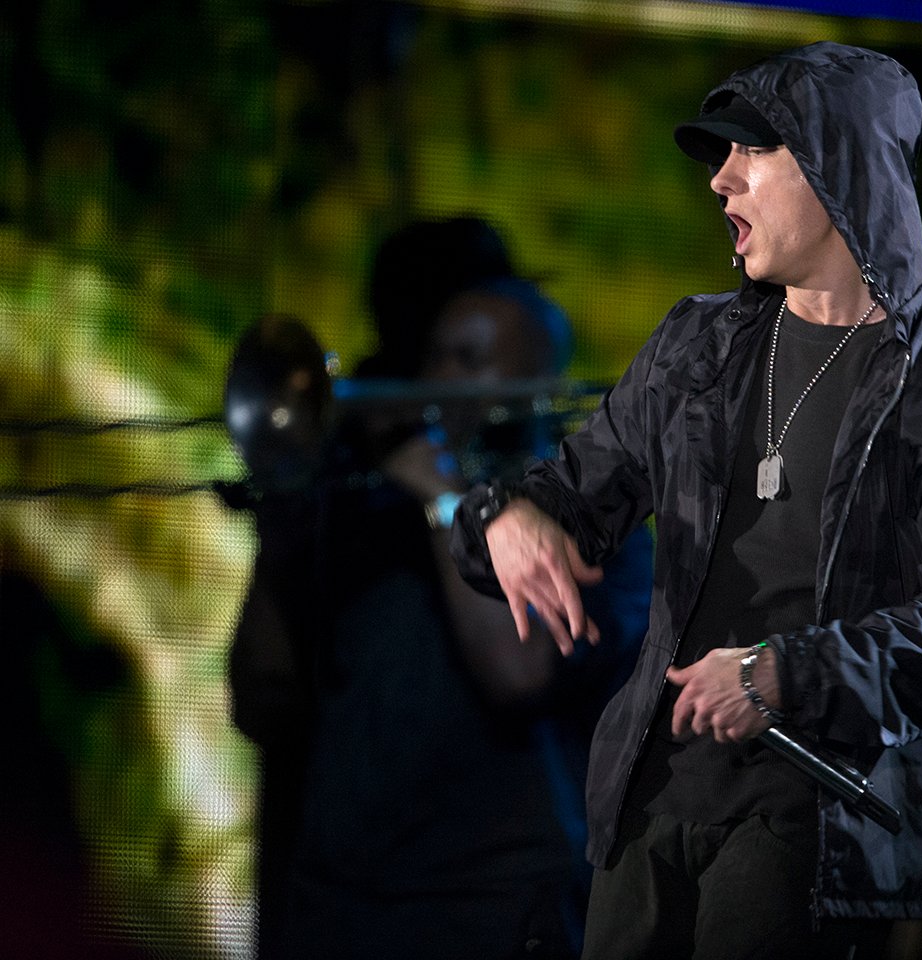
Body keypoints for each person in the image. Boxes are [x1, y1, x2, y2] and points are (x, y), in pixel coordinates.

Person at [449, 42, 922, 959]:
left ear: (840, 169)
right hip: (654, 795)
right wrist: (502, 518)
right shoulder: (699, 346)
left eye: (752, 152)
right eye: (721, 155)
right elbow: (567, 496)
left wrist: (786, 673)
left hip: (820, 808)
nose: (721, 179)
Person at [227, 216, 652, 960]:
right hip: (339, 913)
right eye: (435, 355)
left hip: (491, 911)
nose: (436, 379)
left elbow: (518, 671)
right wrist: (281, 535)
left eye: (470, 359)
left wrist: (445, 496)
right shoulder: (370, 512)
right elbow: (263, 705)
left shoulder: (598, 525)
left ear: (536, 383)